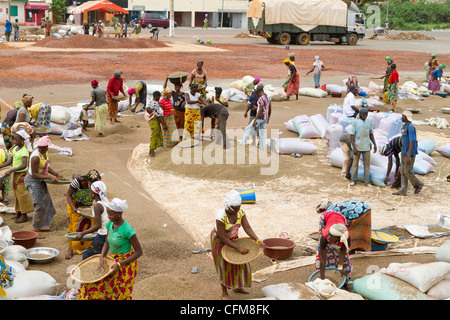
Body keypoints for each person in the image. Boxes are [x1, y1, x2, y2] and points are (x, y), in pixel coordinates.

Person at [77, 198, 143, 300]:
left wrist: (120, 264)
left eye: (111, 214)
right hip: (113, 260)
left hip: (126, 264)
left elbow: (139, 252)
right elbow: (107, 242)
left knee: (121, 292)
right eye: (107, 214)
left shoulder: (128, 230)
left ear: (119, 213)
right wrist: (102, 256)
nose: (108, 217)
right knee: (97, 285)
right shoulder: (110, 225)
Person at [210, 190, 265, 300]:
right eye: (235, 209)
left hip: (233, 238)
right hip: (220, 241)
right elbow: (222, 237)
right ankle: (224, 293)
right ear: (229, 208)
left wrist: (258, 240)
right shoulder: (221, 217)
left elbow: (247, 227)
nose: (237, 211)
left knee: (241, 264)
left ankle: (238, 287)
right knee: (223, 266)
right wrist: (238, 247)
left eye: (238, 208)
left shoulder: (240, 212)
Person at [25, 136, 62, 232]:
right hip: (32, 180)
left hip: (40, 179)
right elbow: (35, 173)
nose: (47, 149)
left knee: (47, 202)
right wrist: (49, 177)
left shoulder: (44, 154)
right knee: (39, 204)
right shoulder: (35, 157)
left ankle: (44, 225)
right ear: (41, 147)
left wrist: (56, 174)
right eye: (46, 147)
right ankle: (35, 228)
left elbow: (45, 167)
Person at [65, 169, 102, 260]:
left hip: (87, 206)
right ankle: (71, 249)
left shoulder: (97, 185)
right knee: (73, 226)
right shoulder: (77, 182)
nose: (93, 185)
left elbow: (99, 198)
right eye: (91, 183)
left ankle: (87, 246)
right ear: (87, 180)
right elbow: (68, 195)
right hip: (74, 205)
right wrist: (74, 208)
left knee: (90, 225)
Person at [0, 132, 34, 223]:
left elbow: (23, 165)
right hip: (16, 174)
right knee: (16, 193)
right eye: (13, 139)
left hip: (22, 174)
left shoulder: (24, 150)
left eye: (16, 139)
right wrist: (1, 166)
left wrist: (11, 170)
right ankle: (19, 212)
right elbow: (10, 161)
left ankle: (24, 215)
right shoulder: (15, 149)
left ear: (23, 140)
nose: (14, 141)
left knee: (22, 194)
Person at [315, 209, 353, 284]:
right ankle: (322, 273)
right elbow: (322, 258)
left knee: (344, 256)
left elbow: (343, 252)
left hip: (340, 218)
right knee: (326, 250)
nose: (328, 237)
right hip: (327, 216)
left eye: (331, 236)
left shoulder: (346, 238)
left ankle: (346, 279)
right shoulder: (325, 236)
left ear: (338, 238)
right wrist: (322, 279)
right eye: (328, 234)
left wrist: (340, 267)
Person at [393, 111, 424, 196]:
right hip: (403, 151)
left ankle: (419, 184)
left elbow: (412, 141)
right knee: (402, 171)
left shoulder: (411, 127)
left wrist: (409, 155)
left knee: (408, 171)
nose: (401, 117)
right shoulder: (404, 126)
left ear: (406, 117)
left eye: (403, 116)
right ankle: (403, 190)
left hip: (409, 152)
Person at [77, 181, 109, 260]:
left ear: (93, 193)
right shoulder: (105, 203)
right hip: (108, 233)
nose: (90, 193)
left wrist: (82, 233)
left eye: (90, 191)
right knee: (100, 255)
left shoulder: (97, 206)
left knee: (86, 257)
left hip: (103, 234)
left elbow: (98, 226)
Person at [349, 108, 377, 186]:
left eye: (366, 115)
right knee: (355, 164)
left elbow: (371, 134)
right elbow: (351, 135)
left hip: (366, 146)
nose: (365, 116)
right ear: (360, 114)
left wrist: (374, 144)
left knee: (367, 165)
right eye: (364, 115)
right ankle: (353, 180)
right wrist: (354, 147)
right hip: (357, 147)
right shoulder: (355, 122)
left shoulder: (368, 122)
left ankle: (367, 182)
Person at [145, 91, 166, 157]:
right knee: (154, 134)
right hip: (154, 120)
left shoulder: (150, 102)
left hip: (151, 121)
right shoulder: (155, 103)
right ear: (157, 96)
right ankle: (152, 151)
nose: (159, 98)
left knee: (156, 133)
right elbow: (158, 115)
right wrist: (163, 124)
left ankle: (151, 151)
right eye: (159, 96)